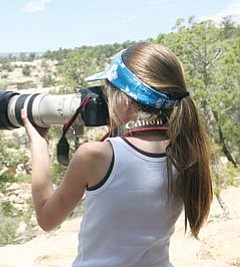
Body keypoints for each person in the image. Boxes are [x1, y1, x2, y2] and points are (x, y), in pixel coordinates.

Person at [20, 42, 213, 267]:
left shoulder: (95, 156)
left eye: (108, 90)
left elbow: (47, 218)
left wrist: (39, 145)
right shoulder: (187, 154)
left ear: (125, 100)